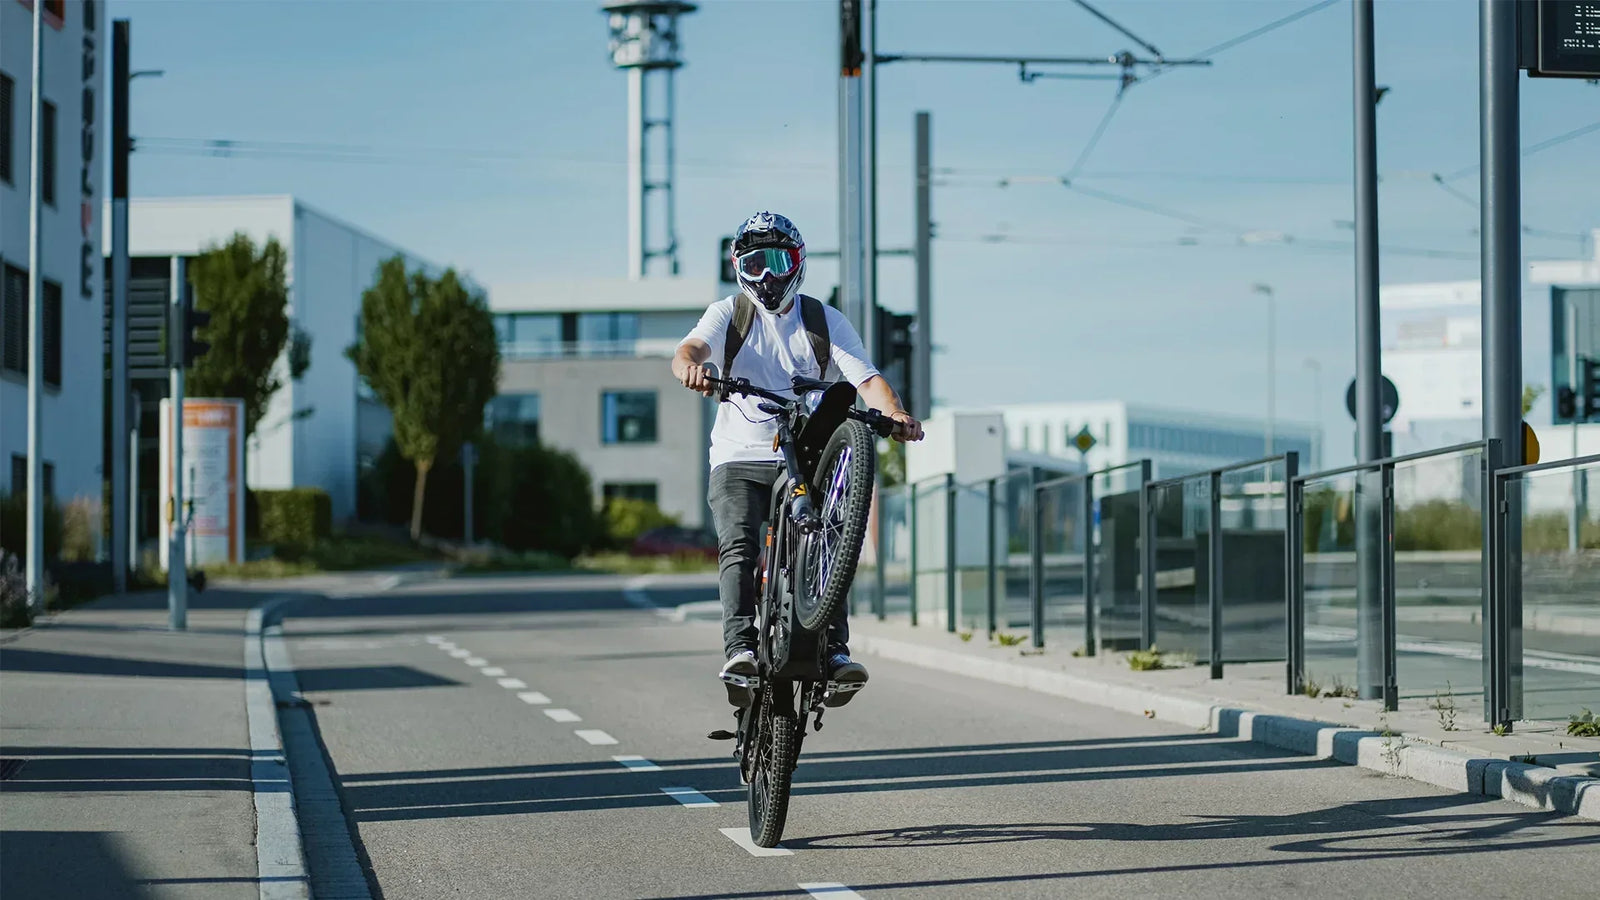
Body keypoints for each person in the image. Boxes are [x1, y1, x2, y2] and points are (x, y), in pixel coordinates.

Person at [672, 211, 924, 703]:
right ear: (739, 267)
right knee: (740, 545)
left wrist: (895, 415)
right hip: (739, 458)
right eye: (754, 263)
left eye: (777, 261)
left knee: (830, 539)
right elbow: (691, 349)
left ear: (798, 263)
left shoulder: (822, 320)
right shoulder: (728, 313)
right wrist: (690, 369)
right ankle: (740, 648)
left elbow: (867, 380)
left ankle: (834, 653)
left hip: (802, 451)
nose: (766, 276)